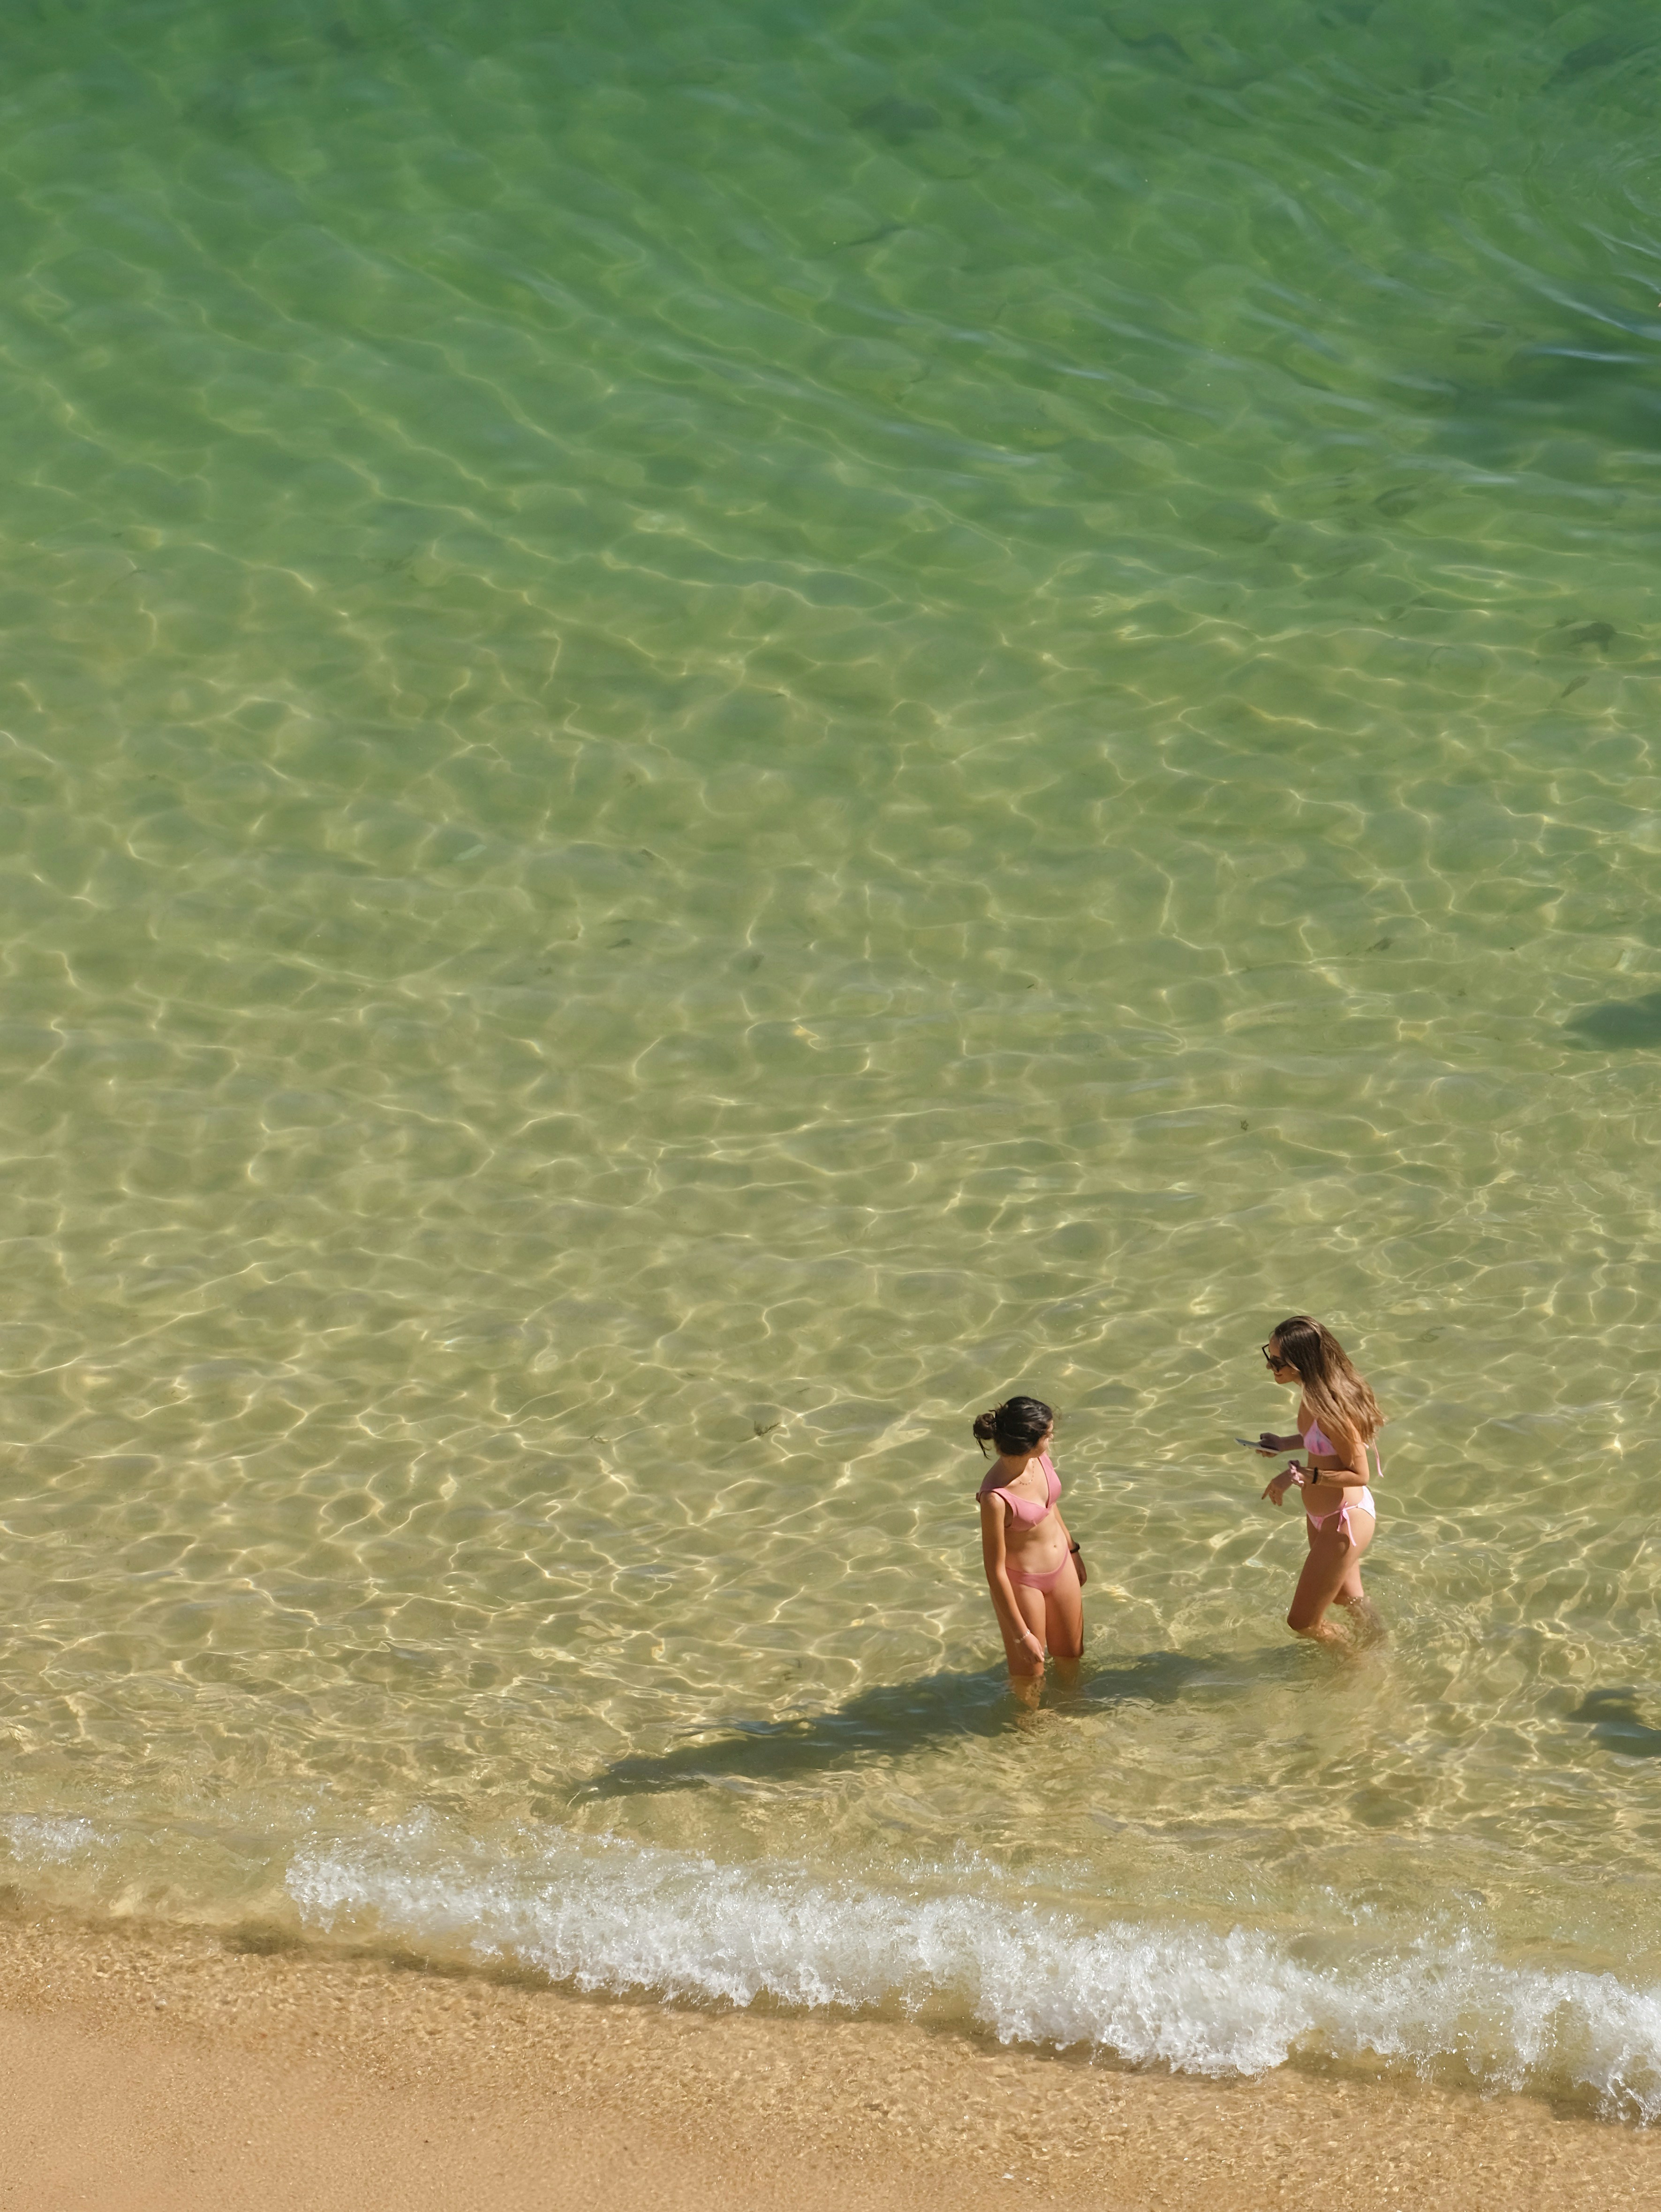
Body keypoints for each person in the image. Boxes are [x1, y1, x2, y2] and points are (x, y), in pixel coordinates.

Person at [1255, 1317, 1385, 1647]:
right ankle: (1380, 1649)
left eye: (1278, 1362)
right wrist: (1283, 1444)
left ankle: (1354, 1666)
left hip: (1344, 1519)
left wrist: (1302, 1476)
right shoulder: (1312, 1395)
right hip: (1324, 1517)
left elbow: (1360, 1474)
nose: (1271, 1367)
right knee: (1348, 1600)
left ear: (1302, 1363)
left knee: (1302, 1622)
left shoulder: (1333, 1410)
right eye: (1268, 1357)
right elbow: (1320, 1442)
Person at [974, 1394, 1084, 1687]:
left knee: (1072, 1657)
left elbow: (1051, 1508)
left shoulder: (1041, 1460)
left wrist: (1073, 1551)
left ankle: (1073, 1717)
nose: (1052, 1438)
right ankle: (1029, 1731)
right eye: (1048, 1435)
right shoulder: (995, 1498)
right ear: (1027, 1442)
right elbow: (994, 1571)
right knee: (1031, 1674)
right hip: (1025, 1584)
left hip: (1062, 1566)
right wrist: (1021, 1635)